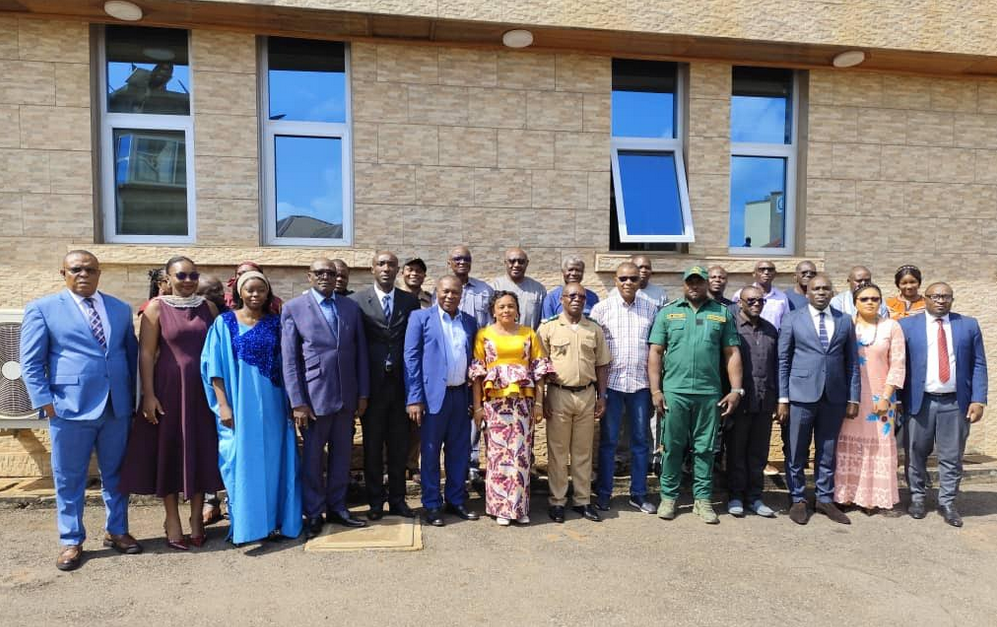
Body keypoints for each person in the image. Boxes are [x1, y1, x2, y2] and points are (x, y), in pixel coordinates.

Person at [20, 250, 142, 571]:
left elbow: (130, 355)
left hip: (116, 406)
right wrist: (44, 401)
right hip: (68, 407)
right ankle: (71, 539)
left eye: (90, 269)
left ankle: (117, 530)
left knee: (117, 474)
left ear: (99, 273)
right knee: (69, 477)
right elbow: (30, 362)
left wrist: (134, 398)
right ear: (64, 273)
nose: (83, 274)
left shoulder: (119, 308)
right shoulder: (43, 309)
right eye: (76, 269)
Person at [119, 256, 223, 550]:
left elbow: (218, 351)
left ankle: (196, 518)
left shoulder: (209, 308)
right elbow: (146, 354)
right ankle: (172, 519)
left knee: (201, 451)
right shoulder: (155, 308)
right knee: (170, 451)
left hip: (202, 390)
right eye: (181, 275)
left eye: (193, 275)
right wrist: (148, 395)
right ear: (167, 279)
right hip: (168, 389)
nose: (188, 281)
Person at [201, 270, 302, 543]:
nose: (255, 295)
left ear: (268, 293)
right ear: (239, 293)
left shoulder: (276, 323)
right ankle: (248, 526)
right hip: (239, 404)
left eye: (261, 290)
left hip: (274, 403)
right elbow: (214, 368)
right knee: (241, 461)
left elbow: (288, 364)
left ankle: (275, 522)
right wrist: (223, 406)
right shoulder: (224, 323)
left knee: (276, 461)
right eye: (250, 290)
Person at [281, 258, 369, 538]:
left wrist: (363, 393)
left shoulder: (350, 307)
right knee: (313, 460)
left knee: (342, 457)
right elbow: (290, 360)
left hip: (346, 396)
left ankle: (338, 508)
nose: (325, 277)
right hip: (313, 399)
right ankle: (313, 512)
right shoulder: (294, 308)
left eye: (330, 273)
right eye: (319, 272)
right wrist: (298, 402)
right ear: (309, 276)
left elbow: (360, 353)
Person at [649, 266, 743, 524]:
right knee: (672, 447)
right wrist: (656, 390)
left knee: (705, 449)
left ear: (706, 284)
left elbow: (732, 353)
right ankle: (668, 497)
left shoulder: (721, 313)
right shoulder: (668, 313)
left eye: (699, 281)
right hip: (675, 392)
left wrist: (735, 390)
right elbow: (656, 352)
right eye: (690, 282)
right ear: (683, 284)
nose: (694, 286)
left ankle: (702, 500)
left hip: (708, 393)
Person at [900, 282, 988, 527]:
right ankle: (917, 498)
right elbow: (898, 364)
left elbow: (979, 363)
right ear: (925, 298)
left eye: (946, 296)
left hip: (956, 402)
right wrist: (895, 399)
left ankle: (947, 502)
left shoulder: (968, 325)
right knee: (915, 453)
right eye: (935, 296)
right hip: (919, 401)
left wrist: (978, 399)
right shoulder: (907, 325)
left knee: (951, 455)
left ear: (952, 299)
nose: (941, 300)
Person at [776, 273, 861, 526]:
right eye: (816, 289)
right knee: (796, 450)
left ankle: (824, 498)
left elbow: (852, 363)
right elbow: (783, 360)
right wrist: (783, 398)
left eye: (826, 288)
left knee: (827, 450)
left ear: (832, 292)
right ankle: (798, 498)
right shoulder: (792, 319)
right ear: (807, 292)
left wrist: (853, 397)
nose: (821, 292)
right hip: (800, 395)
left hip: (833, 396)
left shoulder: (844, 320)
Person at [469, 291, 551, 525]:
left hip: (523, 404)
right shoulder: (483, 335)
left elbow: (539, 370)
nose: (506, 310)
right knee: (498, 457)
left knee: (520, 456)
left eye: (511, 306)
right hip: (494, 405)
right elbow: (477, 374)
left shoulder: (529, 333)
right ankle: (500, 510)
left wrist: (539, 403)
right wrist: (478, 407)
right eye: (501, 306)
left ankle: (519, 508)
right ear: (493, 311)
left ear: (517, 310)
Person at [404, 276, 479, 526]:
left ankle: (456, 500)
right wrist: (414, 398)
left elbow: (473, 360)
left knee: (459, 451)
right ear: (436, 292)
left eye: (455, 292)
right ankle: (432, 504)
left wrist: (473, 398)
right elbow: (411, 359)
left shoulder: (469, 321)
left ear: (461, 295)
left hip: (460, 396)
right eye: (445, 291)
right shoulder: (420, 318)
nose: (450, 296)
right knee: (430, 452)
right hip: (432, 397)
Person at [350, 251, 419, 520]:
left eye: (391, 264)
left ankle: (398, 500)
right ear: (372, 269)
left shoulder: (409, 301)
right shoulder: (357, 301)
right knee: (373, 446)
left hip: (400, 386)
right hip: (372, 387)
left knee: (399, 447)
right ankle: (376, 502)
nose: (386, 268)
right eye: (381, 264)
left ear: (398, 270)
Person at [590, 262, 659, 514]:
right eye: (623, 278)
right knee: (609, 441)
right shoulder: (601, 309)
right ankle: (604, 493)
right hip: (612, 385)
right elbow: (594, 351)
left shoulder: (651, 309)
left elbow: (656, 349)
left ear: (640, 281)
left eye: (633, 278)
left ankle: (638, 494)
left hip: (641, 385)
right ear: (615, 280)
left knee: (640, 442)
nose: (628, 282)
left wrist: (656, 388)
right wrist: (599, 391)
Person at [538, 282, 610, 523]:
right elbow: (539, 368)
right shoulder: (548, 328)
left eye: (581, 296)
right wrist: (541, 398)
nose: (576, 299)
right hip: (558, 394)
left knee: (583, 452)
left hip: (587, 395)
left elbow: (602, 365)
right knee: (558, 452)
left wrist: (602, 396)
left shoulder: (594, 329)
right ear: (562, 300)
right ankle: (557, 501)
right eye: (571, 296)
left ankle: (582, 500)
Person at [833, 283, 905, 515]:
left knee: (877, 446)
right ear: (855, 302)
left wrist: (886, 396)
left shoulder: (891, 327)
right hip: (850, 398)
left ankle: (871, 498)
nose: (870, 302)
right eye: (864, 299)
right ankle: (845, 495)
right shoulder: (846, 325)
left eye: (875, 298)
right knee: (847, 444)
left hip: (880, 398)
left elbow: (898, 364)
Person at [724, 285, 779, 518]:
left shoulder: (770, 330)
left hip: (764, 399)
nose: (756, 304)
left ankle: (755, 497)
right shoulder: (731, 328)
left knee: (758, 453)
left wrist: (779, 399)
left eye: (760, 301)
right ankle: (735, 496)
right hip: (739, 401)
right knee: (736, 451)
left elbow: (776, 365)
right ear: (740, 303)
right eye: (751, 301)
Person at [447, 245, 494, 480]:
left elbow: (492, 327)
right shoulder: (442, 289)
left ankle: (473, 464)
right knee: (455, 419)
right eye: (457, 258)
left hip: (479, 362)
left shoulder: (485, 290)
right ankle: (456, 465)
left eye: (466, 258)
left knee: (477, 411)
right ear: (449, 262)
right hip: (453, 363)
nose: (462, 262)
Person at [398, 257, 431, 480]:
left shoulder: (431, 300)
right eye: (410, 270)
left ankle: (412, 463)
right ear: (402, 273)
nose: (414, 274)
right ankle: (392, 464)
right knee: (395, 419)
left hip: (422, 365)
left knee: (417, 418)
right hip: (395, 363)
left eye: (419, 271)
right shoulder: (395, 296)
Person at [489, 247, 547, 330]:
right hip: (500, 337)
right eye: (512, 261)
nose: (516, 265)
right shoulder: (494, 287)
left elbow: (543, 321)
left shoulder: (538, 290)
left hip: (529, 337)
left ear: (527, 263)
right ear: (505, 263)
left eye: (521, 261)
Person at [732, 260, 790, 329]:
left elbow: (786, 323)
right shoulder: (740, 294)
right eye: (762, 270)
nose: (766, 272)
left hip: (772, 335)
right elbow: (733, 317)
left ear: (775, 274)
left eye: (770, 270)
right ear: (754, 274)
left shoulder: (782, 297)